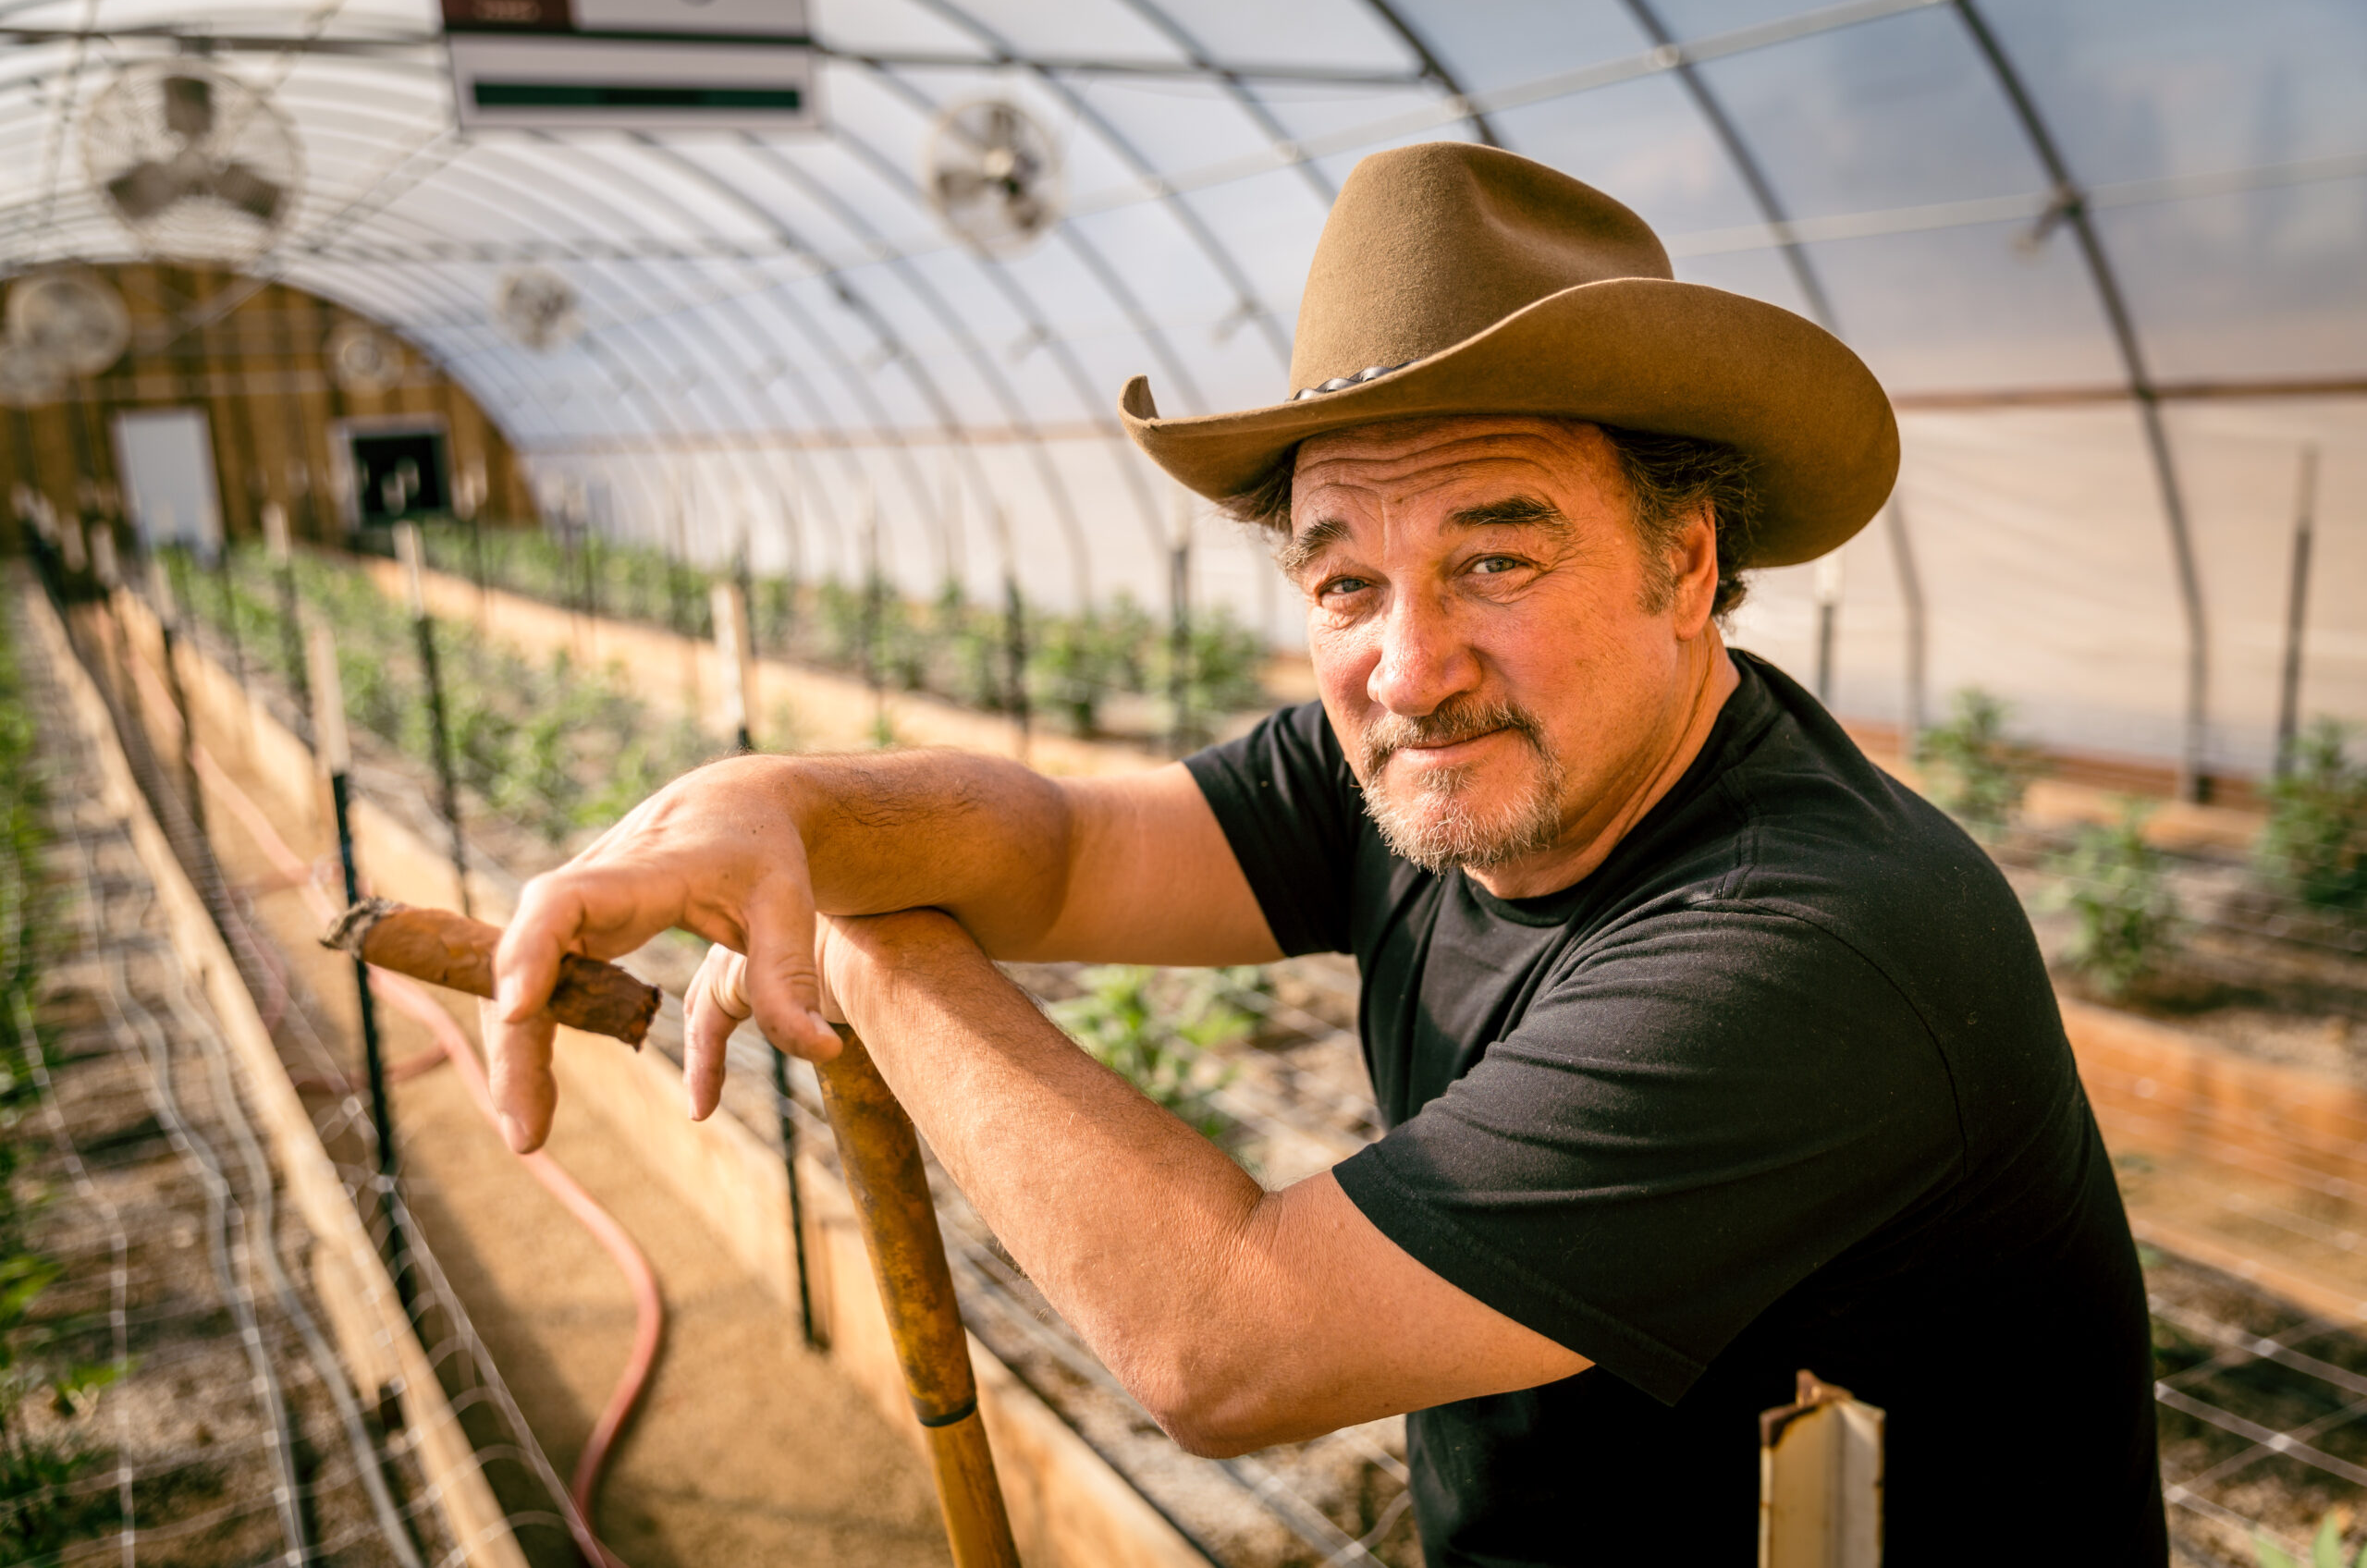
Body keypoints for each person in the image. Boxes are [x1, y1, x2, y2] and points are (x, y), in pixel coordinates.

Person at [487, 143, 2165, 1563]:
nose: (1408, 668)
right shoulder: (1454, 764)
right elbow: (1067, 851)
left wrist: (867, 944)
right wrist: (784, 806)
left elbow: (1225, 1344)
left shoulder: (1806, 947)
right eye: (1345, 581)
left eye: (1497, 560)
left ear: (1684, 560)